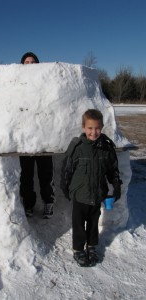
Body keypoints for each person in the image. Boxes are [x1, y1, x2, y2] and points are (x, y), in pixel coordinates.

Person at [61, 109, 122, 267]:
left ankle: (92, 247)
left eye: (97, 128)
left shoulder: (106, 148)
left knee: (94, 223)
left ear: (101, 127)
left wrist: (116, 185)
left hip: (96, 193)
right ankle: (78, 249)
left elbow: (112, 169)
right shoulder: (77, 147)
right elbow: (67, 168)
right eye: (90, 128)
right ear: (83, 127)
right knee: (79, 224)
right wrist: (65, 187)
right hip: (80, 194)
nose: (93, 132)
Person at [19, 52, 55, 219]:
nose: (30, 65)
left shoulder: (46, 84)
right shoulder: (17, 84)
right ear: (22, 65)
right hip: (24, 140)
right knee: (26, 176)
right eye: (27, 62)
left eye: (33, 62)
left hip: (43, 139)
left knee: (46, 175)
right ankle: (28, 205)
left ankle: (48, 203)